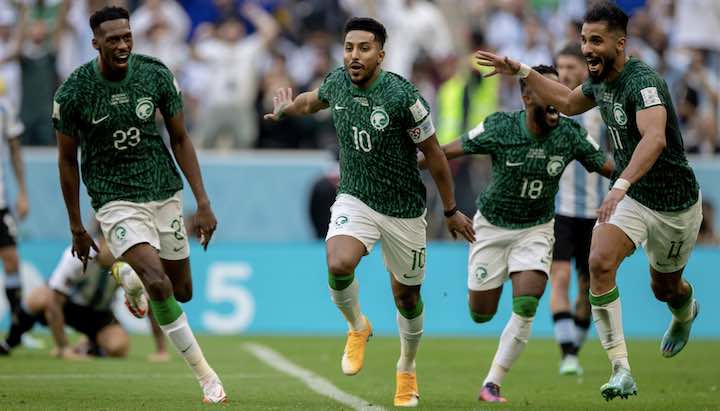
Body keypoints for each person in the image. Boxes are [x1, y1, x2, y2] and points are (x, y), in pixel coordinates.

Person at [475, 1, 702, 401]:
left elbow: (655, 139)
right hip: (633, 198)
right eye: (583, 40)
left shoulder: (642, 82)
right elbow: (565, 102)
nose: (587, 49)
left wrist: (619, 184)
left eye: (596, 41)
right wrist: (522, 70)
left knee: (665, 289)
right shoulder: (598, 83)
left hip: (674, 204)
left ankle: (684, 312)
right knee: (598, 261)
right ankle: (621, 369)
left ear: (620, 44)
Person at [264, 17, 474, 408]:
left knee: (406, 298)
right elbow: (311, 101)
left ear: (381, 54)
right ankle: (357, 326)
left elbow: (434, 155)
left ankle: (406, 368)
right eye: (349, 47)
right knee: (338, 262)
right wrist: (288, 110)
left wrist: (450, 210)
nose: (354, 55)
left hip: (404, 209)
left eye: (364, 48)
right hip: (356, 197)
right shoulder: (337, 83)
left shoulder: (403, 97)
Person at [52, 6, 225, 403]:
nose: (122, 45)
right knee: (158, 282)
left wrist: (202, 201)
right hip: (114, 199)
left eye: (127, 37)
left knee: (181, 291)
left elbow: (180, 138)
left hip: (163, 190)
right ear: (95, 43)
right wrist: (76, 225)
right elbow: (66, 161)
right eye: (112, 39)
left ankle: (127, 276)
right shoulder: (74, 93)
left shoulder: (155, 74)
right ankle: (208, 379)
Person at [420, 65, 613, 403]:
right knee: (481, 313)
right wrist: (406, 161)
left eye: (560, 92)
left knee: (526, 302)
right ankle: (495, 280)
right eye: (548, 91)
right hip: (491, 228)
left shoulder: (570, 134)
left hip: (535, 228)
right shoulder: (501, 127)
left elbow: (608, 166)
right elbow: (446, 151)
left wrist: (645, 173)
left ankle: (492, 383)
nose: (557, 99)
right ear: (526, 97)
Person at [0, 236, 165, 360]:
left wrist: (161, 350)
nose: (117, 253)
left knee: (118, 347)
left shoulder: (127, 264)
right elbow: (54, 302)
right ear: (102, 241)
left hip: (98, 315)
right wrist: (63, 348)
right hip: (69, 307)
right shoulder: (78, 254)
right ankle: (11, 341)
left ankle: (87, 346)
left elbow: (148, 301)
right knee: (40, 297)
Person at [550, 42, 608, 376]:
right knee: (559, 277)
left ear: (584, 70)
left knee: (587, 286)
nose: (565, 73)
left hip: (596, 212)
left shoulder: (601, 106)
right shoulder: (550, 108)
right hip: (560, 211)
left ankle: (574, 350)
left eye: (571, 67)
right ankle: (567, 354)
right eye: (560, 67)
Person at [0, 82, 29, 339]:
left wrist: (22, 192)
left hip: (0, 203)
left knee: (11, 259)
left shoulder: (3, 107)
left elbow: (15, 151)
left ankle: (16, 328)